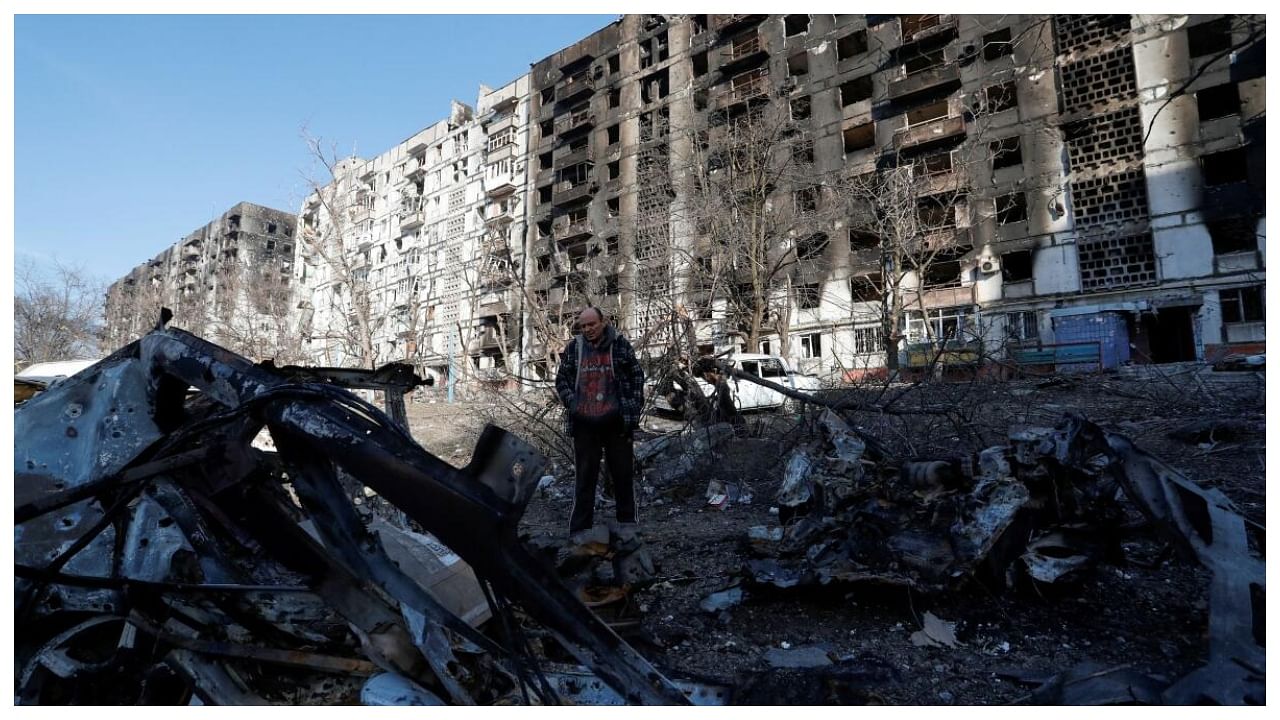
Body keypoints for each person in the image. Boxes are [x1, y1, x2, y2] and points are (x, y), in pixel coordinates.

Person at [555, 306, 645, 541]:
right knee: (584, 478)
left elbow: (637, 375)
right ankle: (579, 531)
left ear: (603, 322)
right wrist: (572, 403)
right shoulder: (575, 348)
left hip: (616, 423)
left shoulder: (620, 345)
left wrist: (633, 409)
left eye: (592, 324)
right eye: (584, 326)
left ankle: (628, 527)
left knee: (623, 476)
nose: (588, 329)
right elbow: (561, 378)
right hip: (585, 424)